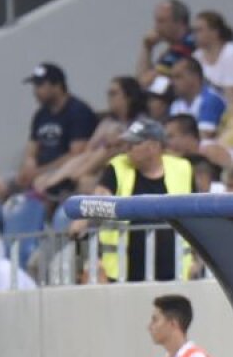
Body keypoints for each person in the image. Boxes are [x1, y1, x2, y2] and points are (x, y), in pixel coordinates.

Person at [78, 118, 193, 283]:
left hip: (177, 269)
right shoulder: (117, 166)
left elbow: (198, 213)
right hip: (125, 271)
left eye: (133, 144)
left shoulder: (183, 168)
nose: (127, 149)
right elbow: (98, 201)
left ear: (153, 147)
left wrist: (198, 259)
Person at [15, 63, 98, 194]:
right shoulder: (40, 114)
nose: (36, 91)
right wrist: (29, 165)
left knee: (40, 184)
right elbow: (32, 147)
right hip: (40, 170)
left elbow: (76, 154)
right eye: (35, 86)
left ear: (57, 86)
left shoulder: (78, 111)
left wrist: (39, 172)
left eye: (40, 85)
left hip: (64, 170)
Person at [137, 0, 195, 88]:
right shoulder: (174, 48)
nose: (156, 27)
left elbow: (143, 83)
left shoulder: (187, 44)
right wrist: (148, 47)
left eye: (161, 21)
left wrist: (146, 48)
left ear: (179, 22)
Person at [168, 57, 227, 139]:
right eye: (172, 78)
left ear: (194, 77)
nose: (172, 83)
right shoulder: (176, 104)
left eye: (178, 77)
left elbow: (204, 137)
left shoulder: (211, 100)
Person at [192, 10, 233, 95]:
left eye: (199, 30)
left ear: (215, 32)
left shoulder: (232, 53)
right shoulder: (196, 56)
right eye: (194, 31)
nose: (194, 35)